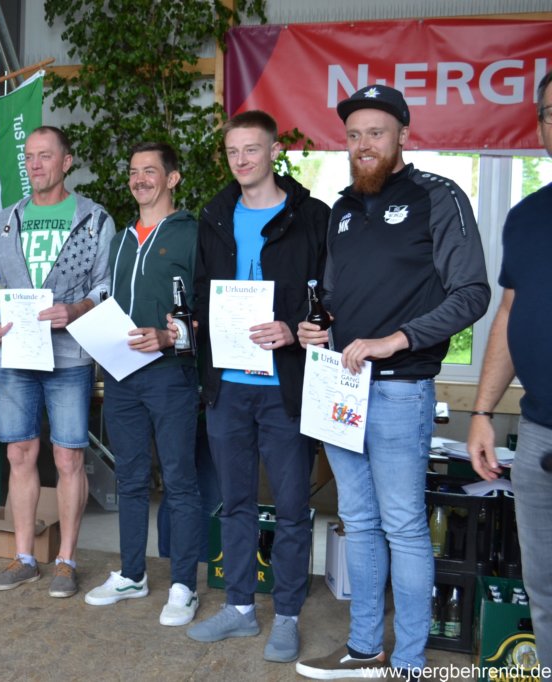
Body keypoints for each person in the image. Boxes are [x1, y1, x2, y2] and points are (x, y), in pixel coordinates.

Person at [296, 85, 490, 679]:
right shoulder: (343, 210)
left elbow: (472, 294)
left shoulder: (439, 197)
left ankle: (407, 661)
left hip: (400, 390)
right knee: (358, 523)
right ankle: (364, 651)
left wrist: (395, 339)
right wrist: (316, 327)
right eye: (354, 135)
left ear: (404, 135)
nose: (364, 145)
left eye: (376, 133)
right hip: (341, 389)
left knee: (403, 526)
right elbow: (333, 297)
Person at [185, 111, 328, 662]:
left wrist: (293, 329)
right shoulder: (215, 215)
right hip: (227, 385)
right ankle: (240, 608)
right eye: (232, 151)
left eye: (251, 149)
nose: (241, 160)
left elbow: (328, 297)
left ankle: (286, 615)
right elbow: (202, 290)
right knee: (236, 502)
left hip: (284, 384)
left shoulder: (311, 216)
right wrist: (193, 322)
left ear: (273, 152)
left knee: (291, 507)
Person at [0, 126, 113, 598]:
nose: (35, 165)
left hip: (69, 355)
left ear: (66, 162)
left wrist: (76, 309)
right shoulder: (4, 221)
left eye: (45, 156)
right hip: (16, 353)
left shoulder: (94, 219)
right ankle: (24, 558)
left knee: (68, 456)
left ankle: (66, 561)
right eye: (29, 157)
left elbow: (106, 287)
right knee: (19, 453)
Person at [80, 141, 202, 626]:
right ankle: (132, 574)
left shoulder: (193, 235)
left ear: (172, 178)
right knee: (129, 479)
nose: (139, 179)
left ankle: (184, 585)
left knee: (179, 481)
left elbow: (209, 309)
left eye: (150, 171)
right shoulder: (121, 239)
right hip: (121, 376)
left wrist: (171, 337)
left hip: (171, 376)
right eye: (133, 171)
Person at [467, 70, 552, 681]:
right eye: (550, 112)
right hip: (540, 435)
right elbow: (509, 314)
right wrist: (481, 412)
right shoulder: (526, 217)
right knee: (543, 588)